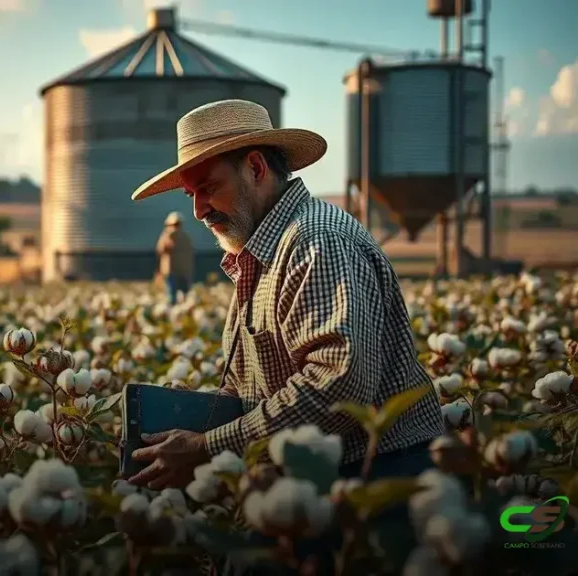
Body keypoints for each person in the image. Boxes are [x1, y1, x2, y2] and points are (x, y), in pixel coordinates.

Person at [125, 99, 445, 487]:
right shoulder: (258, 254)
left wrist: (209, 446)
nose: (198, 210)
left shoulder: (315, 242)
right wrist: (196, 416)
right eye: (190, 194)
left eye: (208, 188)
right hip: (319, 476)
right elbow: (251, 385)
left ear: (256, 169)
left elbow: (338, 385)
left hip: (379, 476)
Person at [155, 211, 194, 305]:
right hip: (183, 270)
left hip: (172, 271)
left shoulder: (168, 236)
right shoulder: (186, 237)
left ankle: (176, 309)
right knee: (184, 294)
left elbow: (160, 250)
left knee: (173, 295)